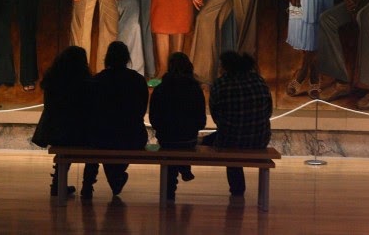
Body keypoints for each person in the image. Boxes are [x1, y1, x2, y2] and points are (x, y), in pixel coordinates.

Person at [203, 51, 271, 196]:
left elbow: (216, 117)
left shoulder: (221, 84)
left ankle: (237, 189)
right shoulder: (259, 82)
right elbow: (268, 111)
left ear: (225, 67)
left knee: (219, 140)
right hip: (259, 138)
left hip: (230, 138)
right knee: (229, 136)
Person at [86, 41, 149, 198]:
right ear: (127, 58)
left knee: (100, 142)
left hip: (103, 135)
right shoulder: (137, 80)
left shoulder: (98, 79)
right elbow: (141, 109)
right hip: (132, 135)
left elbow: (92, 110)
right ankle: (116, 176)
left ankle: (97, 182)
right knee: (117, 141)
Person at [32, 46, 93, 197]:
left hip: (56, 132)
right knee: (93, 145)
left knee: (64, 148)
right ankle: (87, 186)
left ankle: (58, 184)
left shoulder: (52, 81)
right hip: (79, 132)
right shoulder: (85, 81)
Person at [149, 52, 206, 201]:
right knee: (183, 145)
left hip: (166, 138)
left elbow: (154, 118)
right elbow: (201, 121)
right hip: (188, 138)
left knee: (171, 151)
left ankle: (170, 190)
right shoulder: (195, 89)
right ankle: (184, 166)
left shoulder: (161, 89)